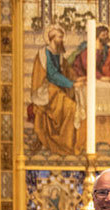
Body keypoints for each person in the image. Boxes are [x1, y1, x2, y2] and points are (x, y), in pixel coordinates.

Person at [30, 24, 86, 155]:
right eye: (60, 37)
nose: (62, 39)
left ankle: (67, 140)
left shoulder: (58, 53)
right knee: (71, 107)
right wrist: (71, 84)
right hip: (45, 89)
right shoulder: (45, 53)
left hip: (57, 87)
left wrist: (76, 79)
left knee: (75, 103)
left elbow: (66, 69)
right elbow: (52, 75)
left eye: (62, 37)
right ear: (52, 38)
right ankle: (63, 143)